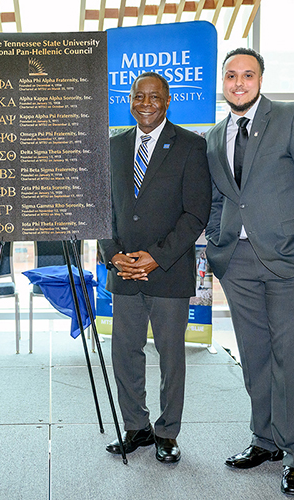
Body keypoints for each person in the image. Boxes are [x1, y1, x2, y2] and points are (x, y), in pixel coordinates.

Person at [204, 48, 294, 495]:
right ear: (222, 82)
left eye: (247, 75)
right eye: (231, 75)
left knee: (292, 362)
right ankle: (264, 440)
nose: (239, 82)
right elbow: (219, 199)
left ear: (261, 79)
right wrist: (215, 244)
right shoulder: (214, 135)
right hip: (239, 264)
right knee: (256, 359)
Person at [99, 72, 211, 463]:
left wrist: (157, 256)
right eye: (138, 96)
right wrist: (114, 256)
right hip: (123, 270)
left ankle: (167, 432)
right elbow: (101, 212)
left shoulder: (191, 146)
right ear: (129, 100)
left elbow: (196, 213)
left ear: (167, 101)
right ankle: (136, 427)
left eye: (154, 97)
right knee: (125, 353)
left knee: (170, 357)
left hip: (168, 270)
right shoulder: (112, 147)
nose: (146, 103)